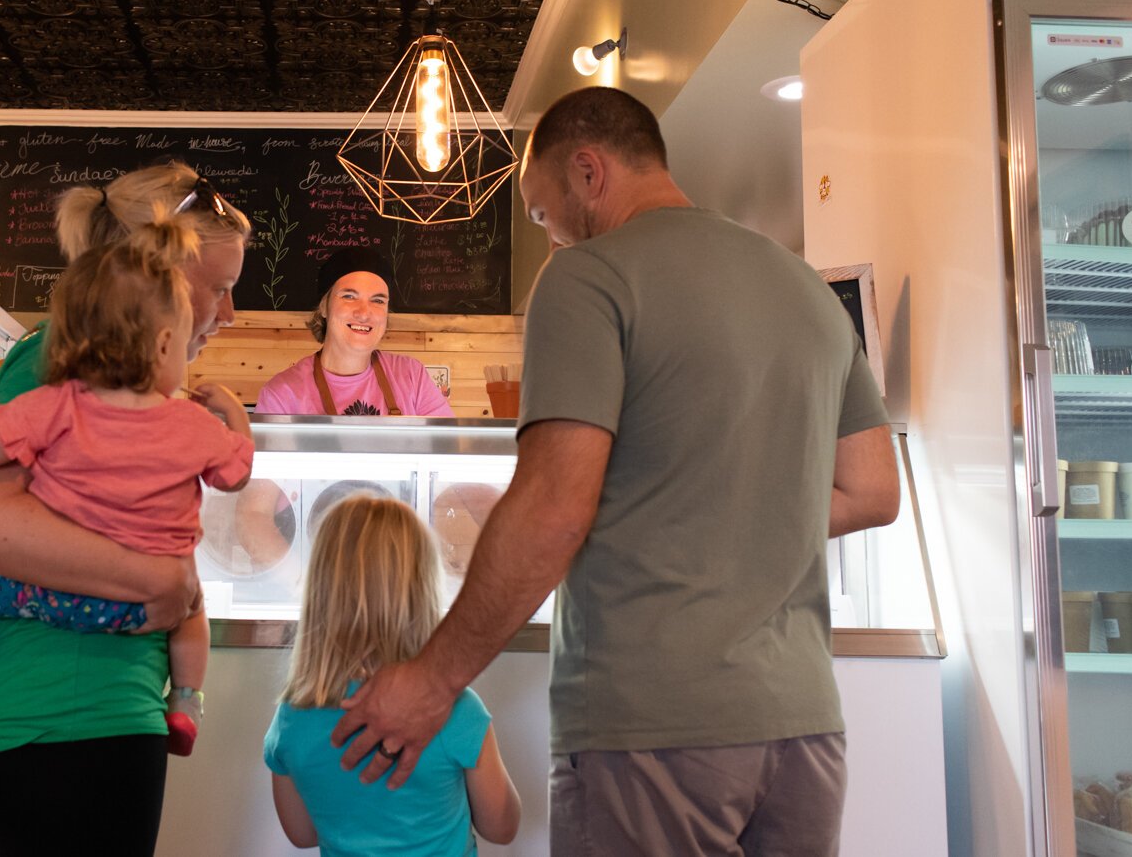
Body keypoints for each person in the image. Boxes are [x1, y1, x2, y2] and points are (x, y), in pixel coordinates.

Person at [331, 87, 901, 857]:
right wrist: (710, 501)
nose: (551, 237)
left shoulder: (589, 278)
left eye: (543, 213)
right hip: (804, 729)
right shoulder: (807, 288)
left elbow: (554, 509)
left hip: (652, 725)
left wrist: (432, 682)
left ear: (588, 171)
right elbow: (873, 492)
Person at [0, 161, 252, 857]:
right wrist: (157, 579)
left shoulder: (111, 377)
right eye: (219, 289)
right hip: (60, 722)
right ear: (159, 273)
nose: (228, 314)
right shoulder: (62, 360)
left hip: (60, 723)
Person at [0, 216, 253, 757]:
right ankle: (186, 699)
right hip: (116, 646)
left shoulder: (61, 403)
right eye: (220, 290)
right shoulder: (191, 423)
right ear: (162, 342)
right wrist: (234, 415)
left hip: (48, 604)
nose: (226, 312)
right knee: (192, 604)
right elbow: (236, 474)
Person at [263, 495, 520, 856]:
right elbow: (502, 827)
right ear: (423, 593)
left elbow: (302, 834)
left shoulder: (292, 717)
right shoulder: (452, 709)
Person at [254, 247, 452, 417]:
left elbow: (446, 446)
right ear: (323, 307)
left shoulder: (412, 376)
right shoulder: (281, 394)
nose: (364, 313)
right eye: (349, 296)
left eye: (378, 300)